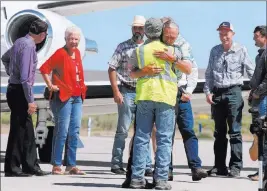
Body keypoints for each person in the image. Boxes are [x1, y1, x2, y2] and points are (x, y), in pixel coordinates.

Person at [128, 17, 187, 190]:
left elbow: (132, 74)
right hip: (166, 98)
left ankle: (137, 178)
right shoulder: (171, 50)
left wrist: (144, 71)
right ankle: (161, 180)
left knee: (141, 139)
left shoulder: (139, 51)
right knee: (164, 140)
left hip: (145, 96)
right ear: (161, 31)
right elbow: (184, 70)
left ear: (145, 31)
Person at [151, 17, 208, 181]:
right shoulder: (156, 44)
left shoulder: (184, 45)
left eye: (172, 36)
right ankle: (166, 169)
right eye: (166, 35)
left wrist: (189, 91)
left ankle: (196, 167)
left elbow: (193, 69)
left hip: (181, 93)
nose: (169, 39)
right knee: (165, 134)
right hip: (163, 93)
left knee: (188, 131)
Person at [203, 22, 255, 177]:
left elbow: (251, 71)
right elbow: (209, 73)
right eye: (221, 33)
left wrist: (254, 90)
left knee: (235, 132)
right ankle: (219, 166)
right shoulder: (215, 51)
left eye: (226, 33)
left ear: (233, 34)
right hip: (217, 94)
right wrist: (207, 92)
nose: (223, 36)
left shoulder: (241, 50)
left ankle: (236, 167)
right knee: (219, 132)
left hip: (234, 92)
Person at [1, 19, 50, 177]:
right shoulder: (29, 47)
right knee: (19, 130)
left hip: (14, 89)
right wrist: (30, 101)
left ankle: (30, 165)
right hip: (20, 92)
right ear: (42, 35)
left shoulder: (20, 41)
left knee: (27, 130)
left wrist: (10, 73)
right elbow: (25, 79)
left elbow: (5, 58)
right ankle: (12, 168)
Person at [108, 15, 153, 175]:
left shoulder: (150, 47)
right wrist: (116, 91)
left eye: (140, 28)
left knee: (143, 131)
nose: (138, 31)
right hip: (127, 91)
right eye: (135, 28)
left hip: (144, 92)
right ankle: (116, 163)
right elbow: (112, 67)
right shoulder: (123, 46)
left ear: (145, 30)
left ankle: (146, 165)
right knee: (123, 130)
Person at [39, 26, 87, 175]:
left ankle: (71, 165)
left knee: (75, 131)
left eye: (76, 39)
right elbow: (44, 69)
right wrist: (50, 85)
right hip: (64, 97)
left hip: (77, 96)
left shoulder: (77, 53)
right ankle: (56, 165)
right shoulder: (60, 53)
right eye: (71, 39)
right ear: (66, 39)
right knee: (62, 131)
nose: (74, 41)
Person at [248, 25, 267, 181]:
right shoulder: (260, 55)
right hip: (260, 98)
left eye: (256, 35)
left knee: (264, 135)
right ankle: (262, 170)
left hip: (264, 100)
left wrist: (257, 92)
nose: (254, 38)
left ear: (264, 36)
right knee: (259, 134)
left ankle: (264, 171)